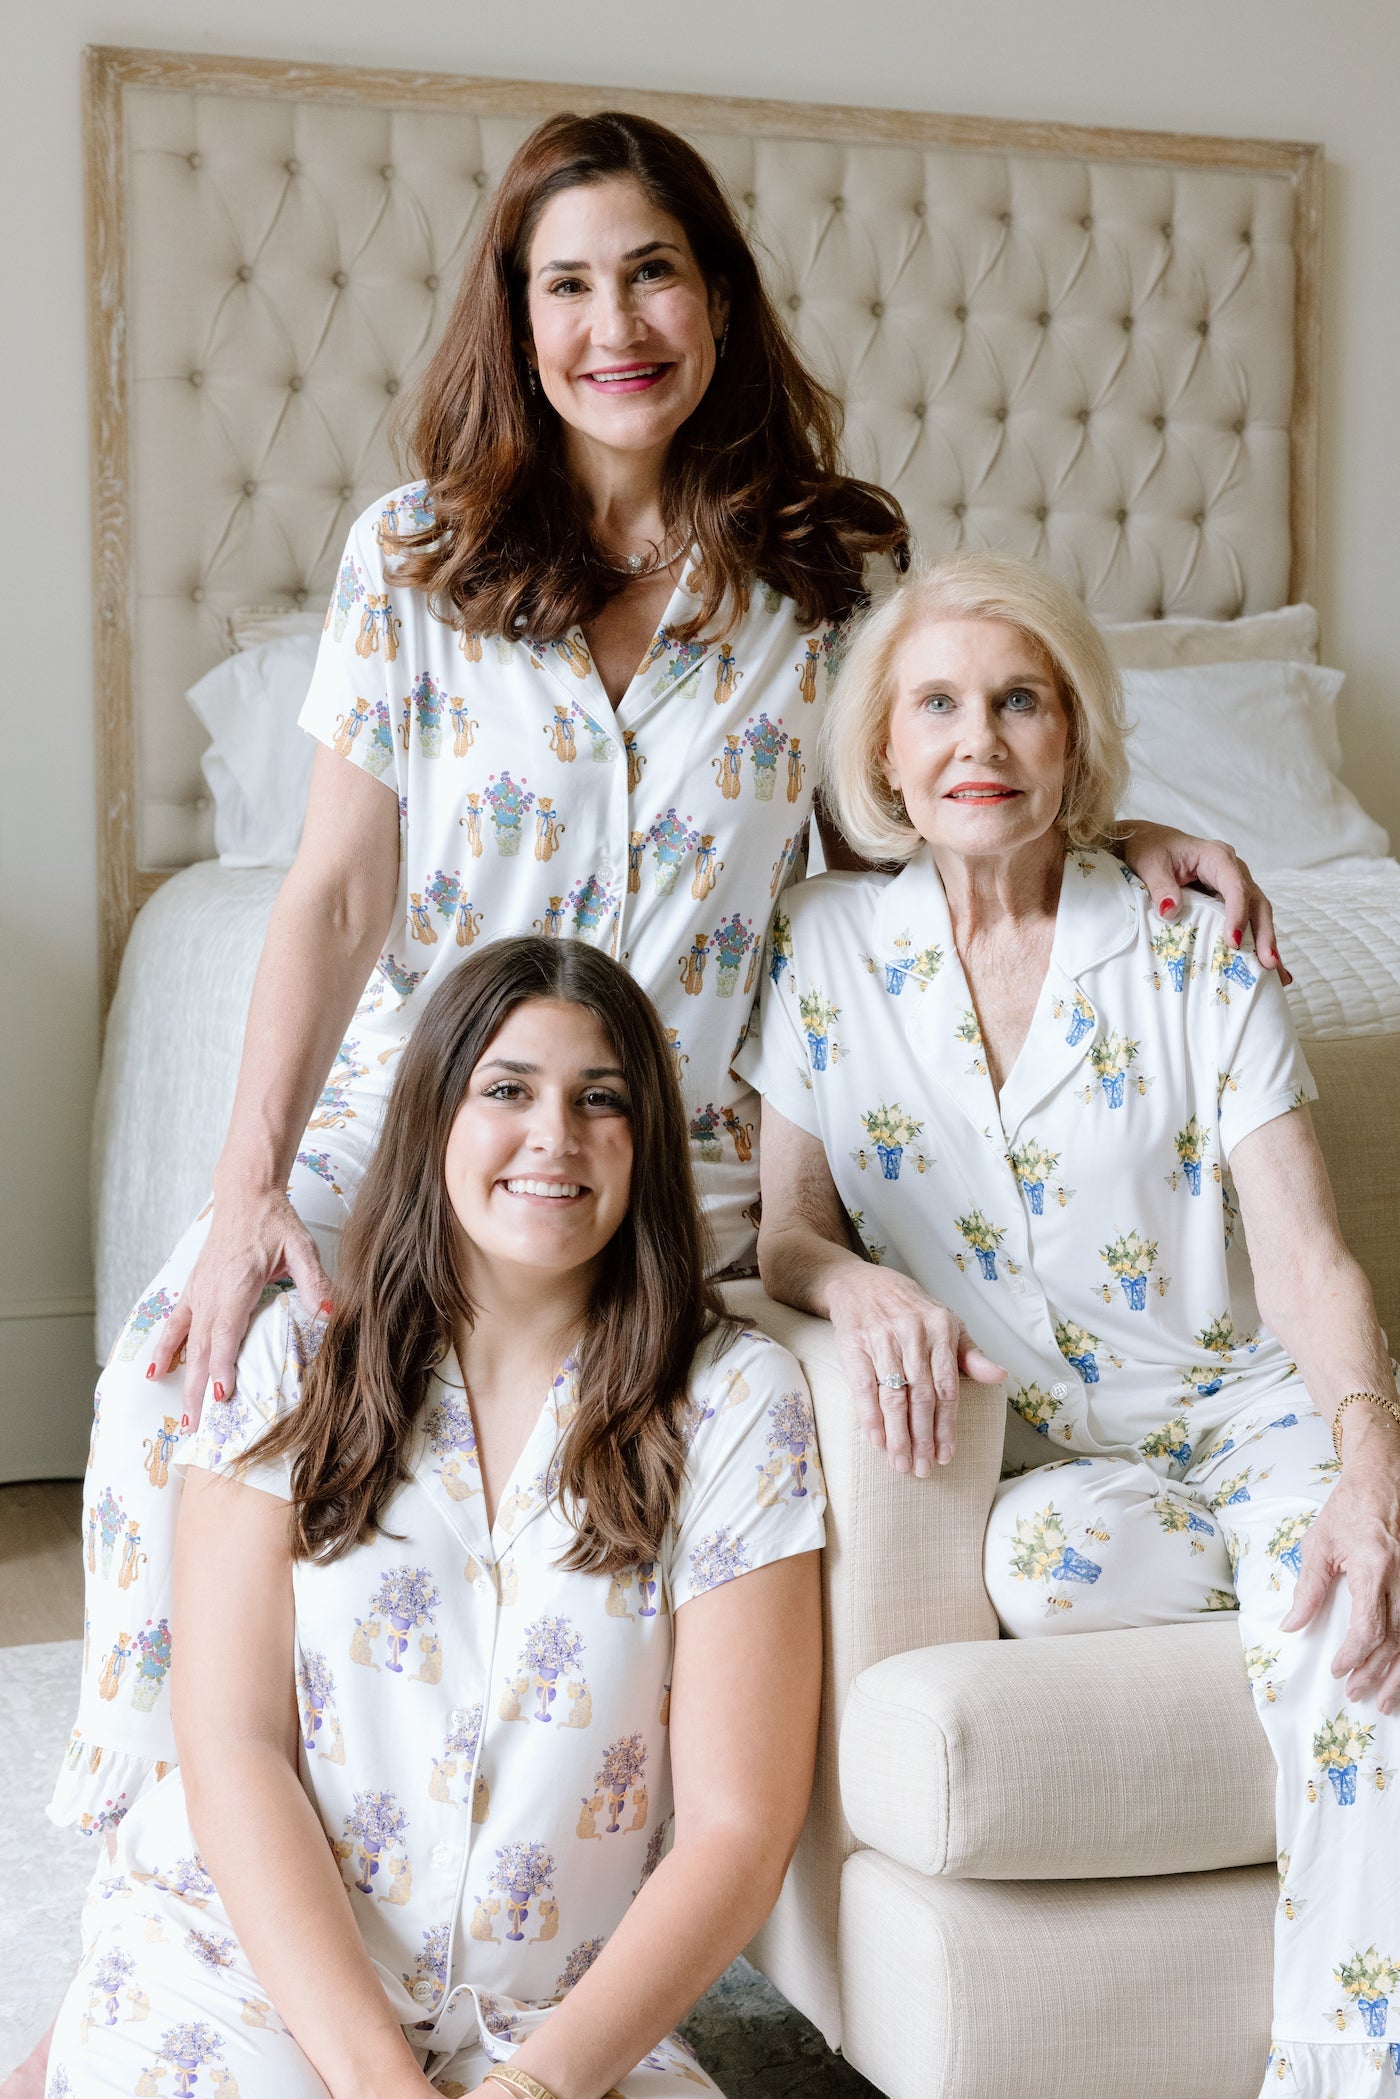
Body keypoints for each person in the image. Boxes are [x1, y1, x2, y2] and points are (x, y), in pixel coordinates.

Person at [55, 107, 1266, 1862]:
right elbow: (329, 895)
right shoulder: (413, 558)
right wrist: (245, 1189)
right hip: (419, 1123)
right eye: (569, 285)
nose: (614, 325)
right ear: (516, 315)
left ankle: (551, 1908)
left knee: (670, 1438)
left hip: (680, 1151)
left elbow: (911, 814)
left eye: (652, 274)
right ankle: (160, 1893)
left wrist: (1117, 832)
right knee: (188, 1359)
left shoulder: (829, 574)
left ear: (716, 300)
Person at [738, 553, 1400, 2099]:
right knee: (1045, 1566)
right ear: (888, 753)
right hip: (1050, 1462)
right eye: (942, 706)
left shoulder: (1189, 941)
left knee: (1343, 1613)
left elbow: (1306, 1250)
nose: (982, 739)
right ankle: (1270, 1558)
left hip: (1243, 1404)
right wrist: (856, 1281)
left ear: (1076, 738)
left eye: (1022, 701)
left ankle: (1344, 2062)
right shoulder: (827, 947)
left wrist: (1366, 1450)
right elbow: (784, 1227)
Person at [45, 936, 823, 2099]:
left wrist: (535, 2086)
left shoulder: (733, 1400)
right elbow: (232, 1741)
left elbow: (736, 1825)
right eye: (505, 1089)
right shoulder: (294, 1358)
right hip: (252, 1965)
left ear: (644, 1139)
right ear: (433, 1120)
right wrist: (376, 2082)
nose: (552, 1133)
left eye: (597, 1098)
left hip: (549, 2021)